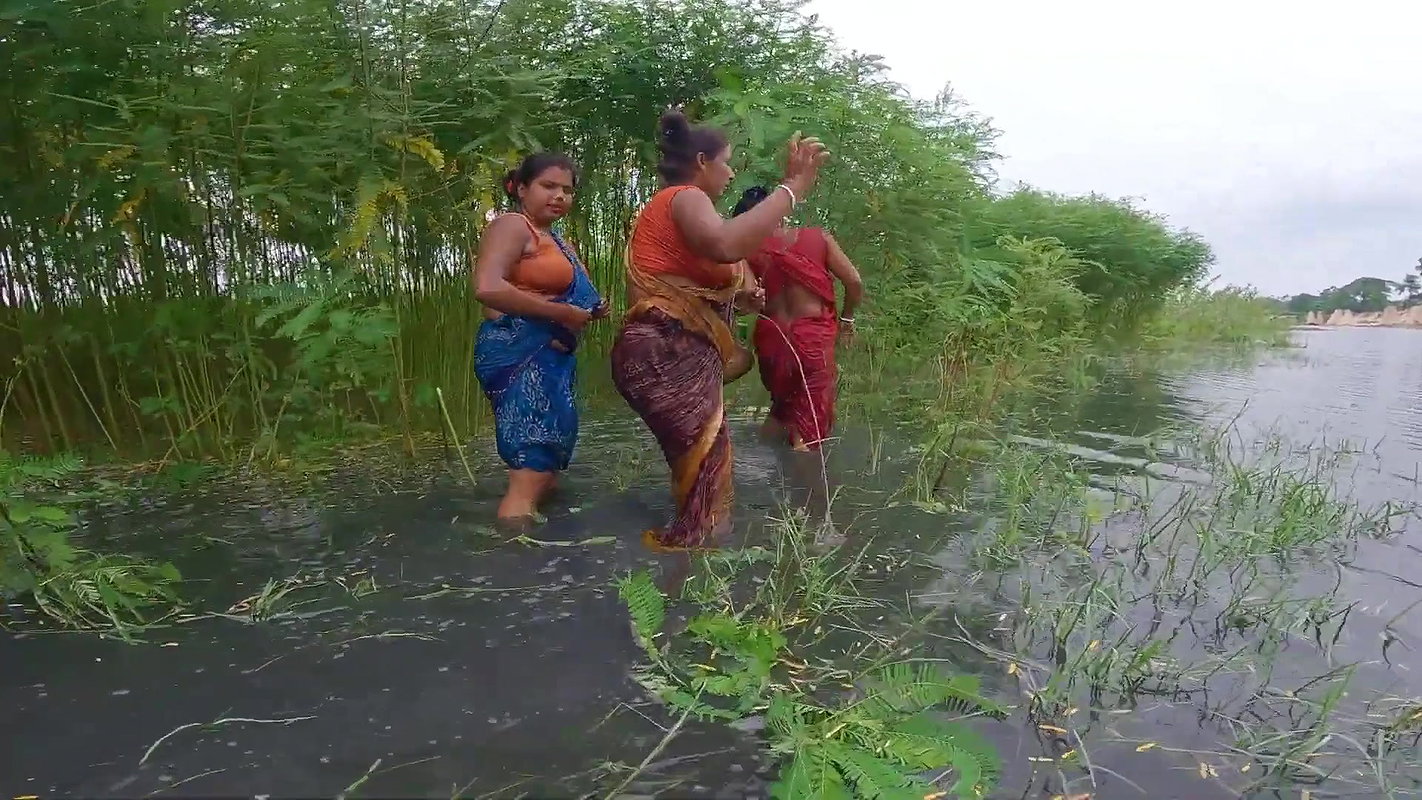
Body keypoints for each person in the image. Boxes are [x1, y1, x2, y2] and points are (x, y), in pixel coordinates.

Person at [610, 110, 830, 552]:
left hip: (670, 351)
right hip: (666, 351)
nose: (731, 173)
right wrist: (792, 189)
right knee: (708, 480)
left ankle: (691, 571)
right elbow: (727, 244)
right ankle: (693, 584)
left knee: (699, 469)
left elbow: (702, 275)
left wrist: (740, 301)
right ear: (702, 162)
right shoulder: (685, 196)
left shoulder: (685, 210)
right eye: (727, 162)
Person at [470, 152, 609, 523]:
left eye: (567, 190)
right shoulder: (513, 226)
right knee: (532, 459)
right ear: (519, 188)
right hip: (521, 355)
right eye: (548, 186)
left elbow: (555, 292)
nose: (560, 196)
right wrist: (562, 313)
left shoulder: (554, 238)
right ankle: (517, 563)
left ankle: (543, 555)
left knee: (546, 464)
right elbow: (487, 288)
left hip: (551, 358)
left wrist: (590, 310)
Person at [732, 186, 864, 452]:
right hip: (812, 340)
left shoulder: (745, 252)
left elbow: (744, 301)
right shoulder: (818, 238)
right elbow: (854, 281)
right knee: (809, 432)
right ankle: (804, 486)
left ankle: (754, 458)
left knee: (782, 407)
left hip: (773, 341)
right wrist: (847, 321)